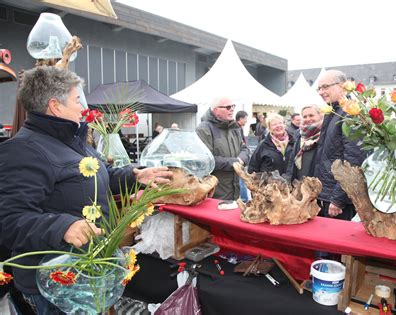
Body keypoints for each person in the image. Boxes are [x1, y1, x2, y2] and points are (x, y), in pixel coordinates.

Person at [0, 66, 173, 314]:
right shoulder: (23, 150)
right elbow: (8, 220)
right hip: (54, 287)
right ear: (55, 106)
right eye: (77, 99)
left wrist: (135, 176)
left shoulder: (71, 142)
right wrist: (63, 227)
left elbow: (94, 176)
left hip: (84, 274)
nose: (83, 106)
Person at [313, 69, 366, 221]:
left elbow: (354, 160)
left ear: (342, 86)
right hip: (326, 194)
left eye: (325, 87)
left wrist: (338, 198)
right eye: (319, 88)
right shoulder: (334, 112)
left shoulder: (350, 114)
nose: (321, 92)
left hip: (336, 200)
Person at [196, 97, 250, 200]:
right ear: (216, 110)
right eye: (228, 107)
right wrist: (235, 163)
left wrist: (241, 160)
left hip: (235, 191)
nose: (232, 109)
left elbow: (245, 149)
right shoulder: (204, 129)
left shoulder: (235, 127)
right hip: (215, 194)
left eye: (233, 106)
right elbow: (206, 160)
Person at [286, 105, 324, 181]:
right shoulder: (299, 134)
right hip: (299, 182)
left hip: (317, 183)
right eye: (305, 116)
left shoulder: (324, 133)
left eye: (311, 115)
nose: (308, 119)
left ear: (320, 115)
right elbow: (292, 161)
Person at [235, 110, 250, 202]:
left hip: (240, 157)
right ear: (240, 119)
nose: (246, 121)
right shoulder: (237, 128)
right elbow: (241, 144)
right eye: (245, 119)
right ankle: (244, 199)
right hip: (239, 158)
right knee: (242, 179)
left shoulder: (238, 127)